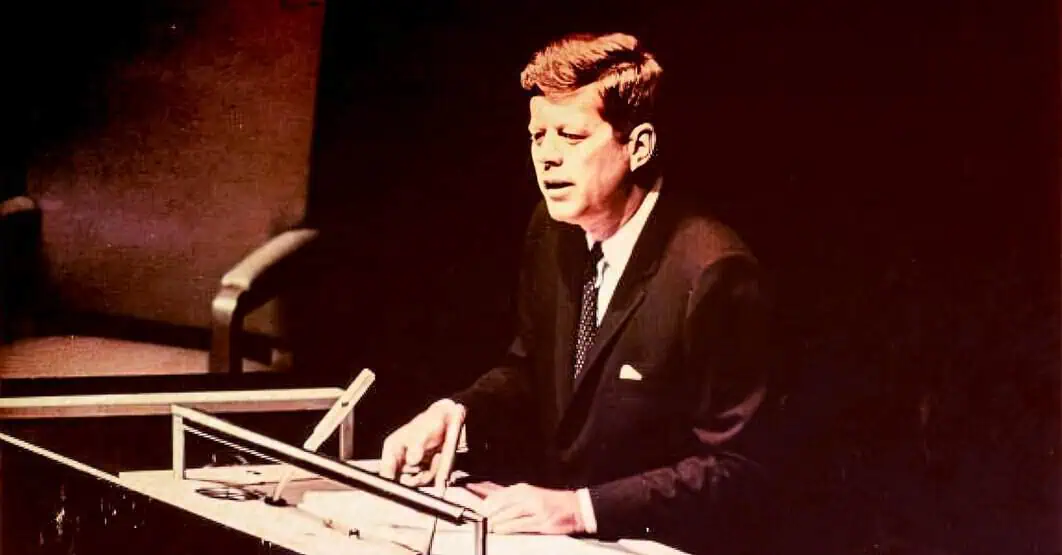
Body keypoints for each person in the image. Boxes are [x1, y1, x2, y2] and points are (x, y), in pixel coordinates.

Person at [379, 31, 774, 554]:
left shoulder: (714, 271)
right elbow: (532, 368)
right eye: (538, 135)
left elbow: (739, 469)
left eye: (571, 135)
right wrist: (459, 412)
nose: (548, 158)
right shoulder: (551, 229)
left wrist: (581, 508)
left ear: (638, 146)